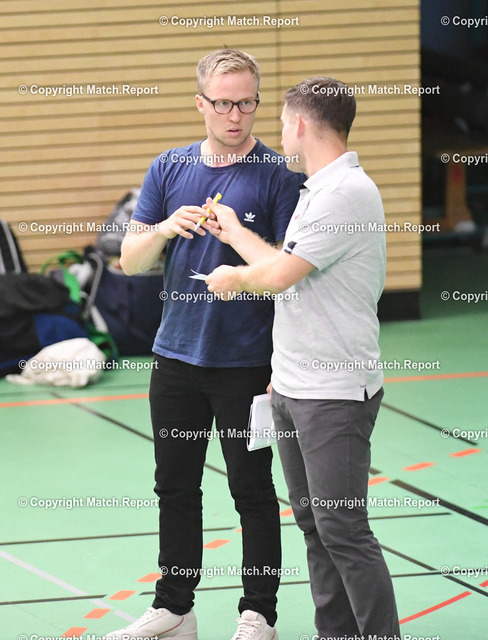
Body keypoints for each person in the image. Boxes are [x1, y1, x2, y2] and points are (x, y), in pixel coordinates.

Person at [104, 48, 303, 640]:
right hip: (175, 359)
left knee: (252, 491)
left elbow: (291, 272)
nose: (235, 115)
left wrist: (238, 243)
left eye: (247, 103)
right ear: (200, 104)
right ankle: (174, 609)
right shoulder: (168, 168)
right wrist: (166, 228)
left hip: (247, 364)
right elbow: (130, 260)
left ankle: (259, 614)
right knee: (174, 487)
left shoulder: (279, 175)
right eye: (223, 103)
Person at [205, 76, 401, 639]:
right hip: (294, 386)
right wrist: (236, 233)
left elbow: (277, 277)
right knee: (316, 525)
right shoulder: (317, 189)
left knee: (343, 528)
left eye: (281, 121)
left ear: (298, 124)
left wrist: (233, 277)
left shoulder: (345, 194)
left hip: (334, 393)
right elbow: (287, 267)